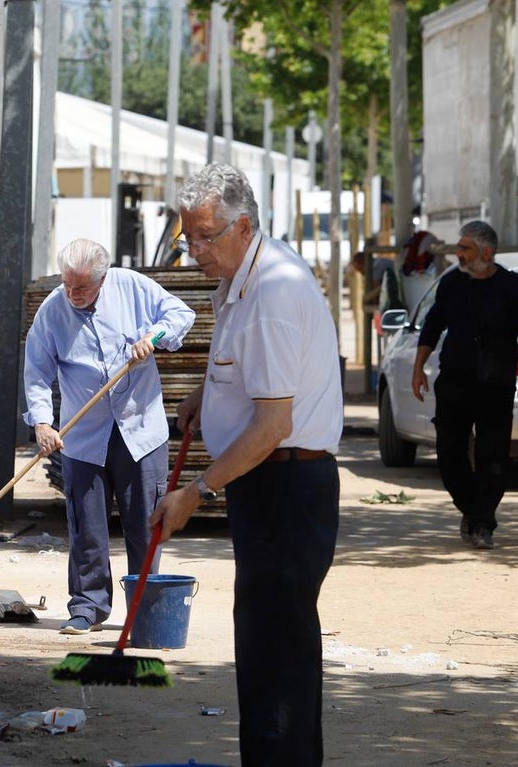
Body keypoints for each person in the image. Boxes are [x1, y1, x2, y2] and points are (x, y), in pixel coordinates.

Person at [150, 164, 341, 765]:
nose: (195, 250)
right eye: (189, 237)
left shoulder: (273, 290)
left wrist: (194, 492)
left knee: (277, 652)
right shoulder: (243, 276)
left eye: (206, 236)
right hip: (270, 483)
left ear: (244, 225)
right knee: (264, 644)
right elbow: (252, 369)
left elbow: (273, 424)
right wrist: (208, 394)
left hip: (287, 482)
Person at [23, 238, 195, 635]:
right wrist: (43, 423)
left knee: (144, 523)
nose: (73, 293)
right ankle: (88, 606)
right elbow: (36, 370)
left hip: (140, 428)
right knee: (87, 525)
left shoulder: (131, 286)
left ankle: (144, 610)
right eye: (68, 284)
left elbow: (180, 314)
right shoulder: (54, 310)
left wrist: (153, 337)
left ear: (102, 279)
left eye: (81, 287)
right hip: (83, 435)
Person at [411, 220, 518, 550]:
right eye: (459, 248)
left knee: (493, 458)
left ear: (486, 252)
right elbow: (432, 327)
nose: (459, 254)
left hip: (496, 385)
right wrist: (418, 368)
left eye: (465, 248)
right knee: (449, 454)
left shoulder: (513, 288)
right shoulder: (451, 284)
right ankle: (472, 508)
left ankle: (483, 523)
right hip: (454, 382)